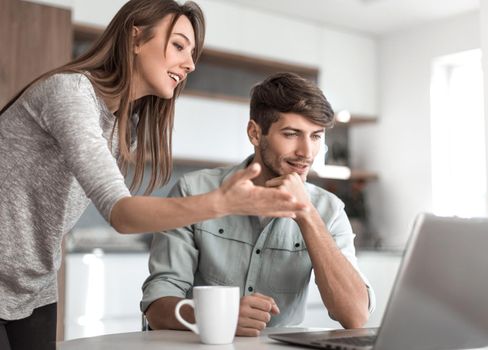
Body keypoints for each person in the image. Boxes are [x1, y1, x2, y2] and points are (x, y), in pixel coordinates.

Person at [0, 1, 305, 349]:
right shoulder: (70, 93)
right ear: (135, 39)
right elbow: (121, 213)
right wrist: (220, 203)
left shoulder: (119, 128)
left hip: (34, 288)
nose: (190, 64)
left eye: (192, 53)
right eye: (178, 45)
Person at [141, 72, 376, 336]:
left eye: (316, 136)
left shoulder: (328, 210)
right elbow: (157, 305)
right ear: (255, 133)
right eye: (291, 134)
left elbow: (355, 316)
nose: (307, 152)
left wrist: (306, 213)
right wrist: (216, 316)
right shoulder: (193, 191)